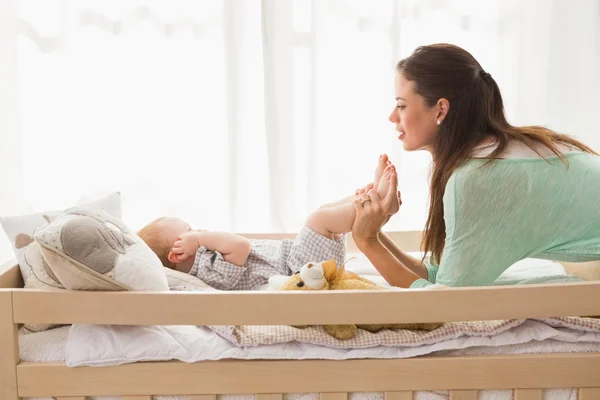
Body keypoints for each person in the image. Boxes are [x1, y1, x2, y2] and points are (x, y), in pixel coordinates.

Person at [350, 43, 600, 289]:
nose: (392, 116)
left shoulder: (476, 177)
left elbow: (446, 303)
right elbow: (440, 275)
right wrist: (374, 233)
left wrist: (367, 241)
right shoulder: (484, 159)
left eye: (401, 105)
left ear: (441, 110)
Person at [137, 159, 400, 290]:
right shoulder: (207, 269)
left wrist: (199, 240)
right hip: (299, 275)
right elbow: (239, 245)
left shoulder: (206, 257)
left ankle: (371, 199)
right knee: (319, 221)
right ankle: (375, 203)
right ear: (177, 253)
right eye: (187, 231)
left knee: (322, 214)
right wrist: (201, 240)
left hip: (297, 264)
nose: (196, 231)